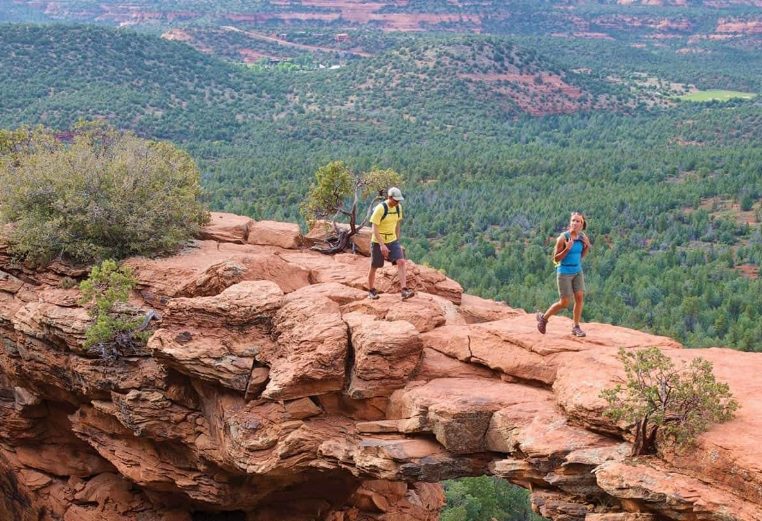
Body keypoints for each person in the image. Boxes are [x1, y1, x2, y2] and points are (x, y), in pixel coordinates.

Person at [536, 212, 591, 337]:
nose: (575, 223)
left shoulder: (582, 237)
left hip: (577, 271)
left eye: (578, 221)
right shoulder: (563, 238)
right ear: (570, 222)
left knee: (579, 298)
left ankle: (576, 327)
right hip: (564, 272)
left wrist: (587, 245)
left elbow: (581, 255)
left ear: (582, 224)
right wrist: (567, 248)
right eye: (573, 220)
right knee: (564, 303)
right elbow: (555, 259)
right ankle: (543, 319)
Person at [367, 187, 414, 300]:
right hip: (378, 241)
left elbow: (398, 225)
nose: (397, 202)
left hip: (392, 240)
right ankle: (371, 291)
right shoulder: (380, 208)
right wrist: (382, 245)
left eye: (399, 200)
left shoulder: (398, 208)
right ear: (389, 197)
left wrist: (397, 241)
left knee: (401, 262)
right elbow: (374, 227)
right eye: (395, 200)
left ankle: (404, 290)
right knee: (375, 266)